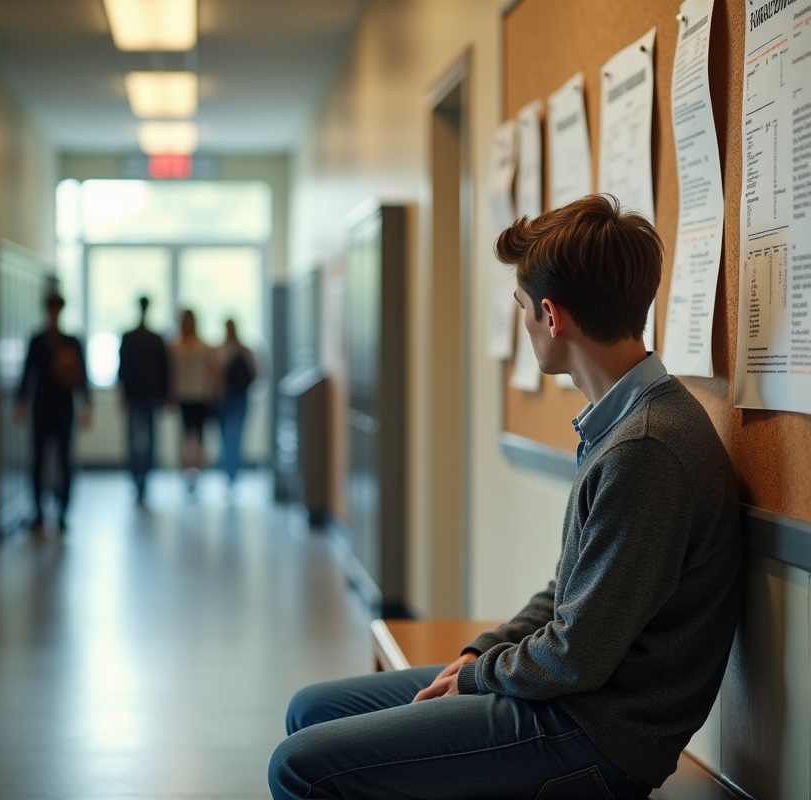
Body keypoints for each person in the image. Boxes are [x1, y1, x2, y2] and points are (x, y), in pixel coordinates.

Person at [269, 195, 744, 798]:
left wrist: (476, 679)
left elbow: (575, 657)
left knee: (297, 765)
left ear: (551, 316)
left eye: (520, 306)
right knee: (312, 709)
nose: (521, 323)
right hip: (568, 701)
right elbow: (567, 594)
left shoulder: (645, 447)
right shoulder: (622, 422)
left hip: (593, 735)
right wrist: (480, 653)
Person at [14, 293, 91, 532]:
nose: (54, 314)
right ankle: (37, 511)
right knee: (38, 459)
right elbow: (28, 373)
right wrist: (21, 403)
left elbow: (81, 376)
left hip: (63, 407)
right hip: (41, 406)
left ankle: (63, 511)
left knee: (64, 459)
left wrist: (87, 405)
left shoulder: (71, 341)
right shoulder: (38, 341)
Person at [118, 296, 169, 505]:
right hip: (141, 394)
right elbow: (122, 367)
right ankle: (139, 479)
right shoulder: (145, 337)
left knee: (142, 439)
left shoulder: (146, 337)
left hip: (143, 395)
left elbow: (163, 369)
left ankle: (141, 479)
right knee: (141, 439)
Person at [168, 309, 213, 496]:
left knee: (199, 435)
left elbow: (210, 370)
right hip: (183, 395)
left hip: (200, 395)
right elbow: (170, 372)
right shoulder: (174, 345)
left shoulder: (203, 346)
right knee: (186, 435)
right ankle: (186, 471)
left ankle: (198, 471)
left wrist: (212, 391)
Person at [214, 319, 258, 487]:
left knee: (228, 437)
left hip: (228, 397)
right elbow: (255, 373)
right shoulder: (245, 350)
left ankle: (231, 473)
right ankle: (232, 473)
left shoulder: (221, 350)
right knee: (235, 436)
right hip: (237, 397)